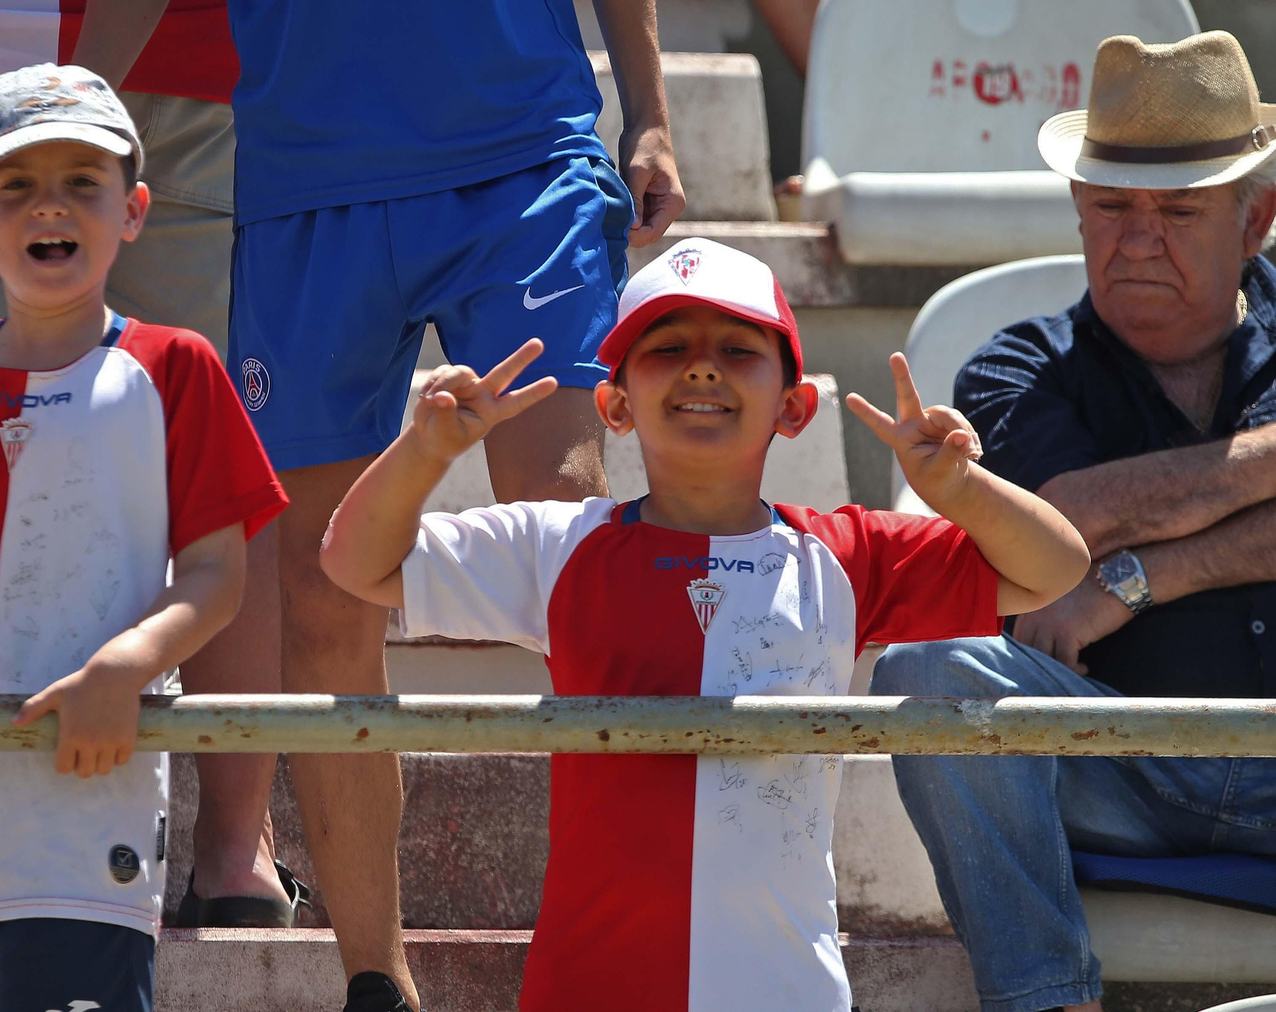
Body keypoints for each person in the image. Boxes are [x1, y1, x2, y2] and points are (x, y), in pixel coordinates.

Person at [78, 2, 686, 1006]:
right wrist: (78, 104)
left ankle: (637, 949)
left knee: (564, 530)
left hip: (523, 150)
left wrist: (651, 112)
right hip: (304, 180)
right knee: (322, 587)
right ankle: (377, 982)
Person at [319, 238, 1090, 1012]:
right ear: (614, 404)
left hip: (785, 994)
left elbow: (1053, 570)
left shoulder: (847, 555)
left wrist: (960, 485)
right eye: (668, 346)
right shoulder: (556, 546)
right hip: (588, 989)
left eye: (737, 348)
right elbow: (355, 563)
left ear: (795, 406)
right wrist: (423, 454)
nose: (701, 367)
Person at [869, 31, 1276, 1011]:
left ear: (1255, 218)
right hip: (1109, 760)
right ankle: (1045, 1002)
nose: (1136, 237)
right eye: (1110, 206)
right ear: (1077, 211)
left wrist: (1128, 583)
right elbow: (1059, 519)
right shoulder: (1016, 365)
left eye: (1177, 210)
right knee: (923, 675)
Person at [0, 1, 301, 926]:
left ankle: (232, 847)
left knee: (222, 474)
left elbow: (225, 546)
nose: (48, 205)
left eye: (75, 184)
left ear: (127, 205)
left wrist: (75, 94)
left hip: (175, 71)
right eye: (19, 189)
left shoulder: (177, 363)